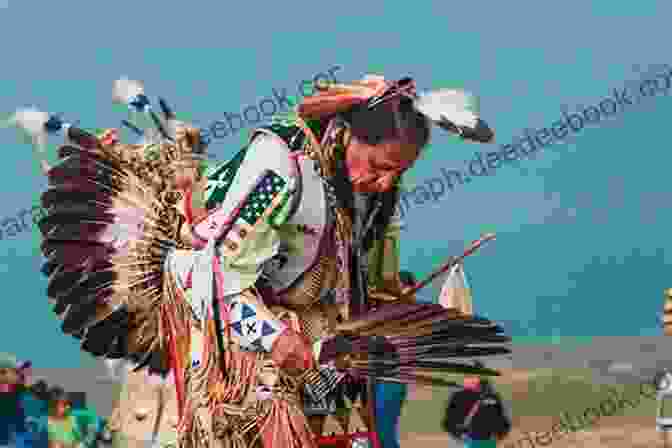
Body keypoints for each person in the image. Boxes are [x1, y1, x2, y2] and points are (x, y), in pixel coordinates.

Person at [11, 73, 509, 448]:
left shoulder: (366, 194)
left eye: (396, 173)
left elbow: (356, 283)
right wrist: (276, 337)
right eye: (378, 167)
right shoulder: (279, 166)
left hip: (307, 332)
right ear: (349, 134)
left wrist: (390, 321)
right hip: (225, 320)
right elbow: (221, 278)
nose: (383, 182)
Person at [442, 366, 511, 448]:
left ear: (479, 378)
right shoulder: (459, 397)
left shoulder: (459, 397)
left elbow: (501, 420)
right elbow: (448, 423)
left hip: (482, 441)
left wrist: (499, 435)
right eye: (466, 377)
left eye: (470, 377)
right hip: (474, 441)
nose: (466, 380)